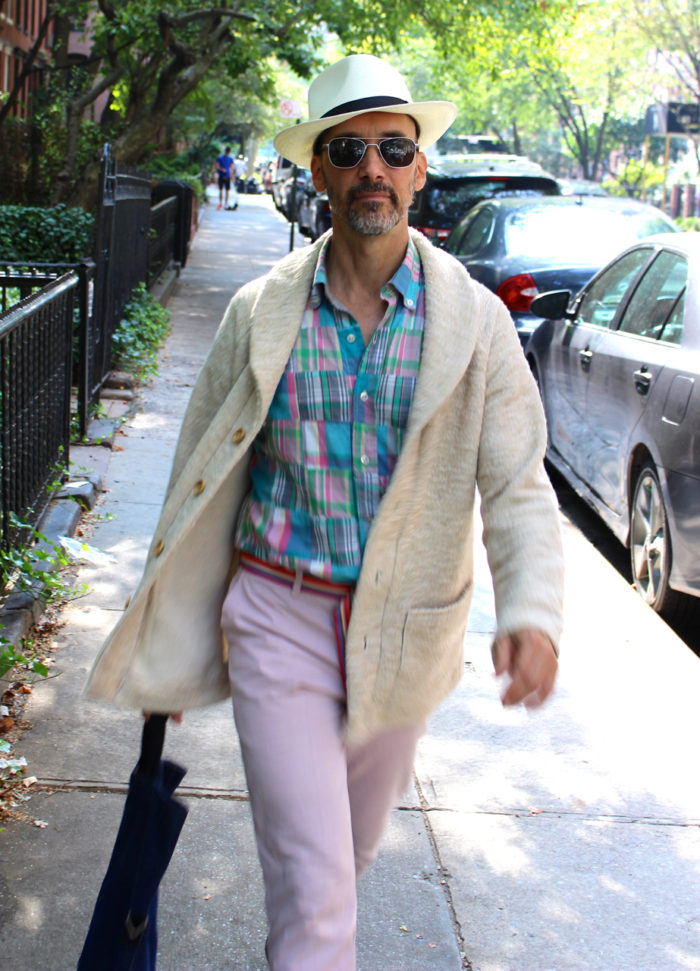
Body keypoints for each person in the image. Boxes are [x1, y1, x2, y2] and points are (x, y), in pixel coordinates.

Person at [86, 54, 564, 970]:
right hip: (277, 618)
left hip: (404, 637)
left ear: (420, 167)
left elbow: (516, 484)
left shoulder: (475, 324)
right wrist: (169, 640)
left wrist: (533, 611)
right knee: (316, 900)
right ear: (321, 172)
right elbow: (197, 477)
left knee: (339, 866)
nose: (373, 169)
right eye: (350, 150)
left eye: (394, 147)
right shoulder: (262, 313)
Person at [212, 145, 236, 210]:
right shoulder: (220, 158)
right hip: (221, 175)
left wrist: (231, 174)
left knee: (227, 191)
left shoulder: (230, 158)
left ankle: (226, 203)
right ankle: (220, 203)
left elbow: (232, 167)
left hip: (227, 176)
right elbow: (216, 166)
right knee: (221, 190)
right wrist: (222, 169)